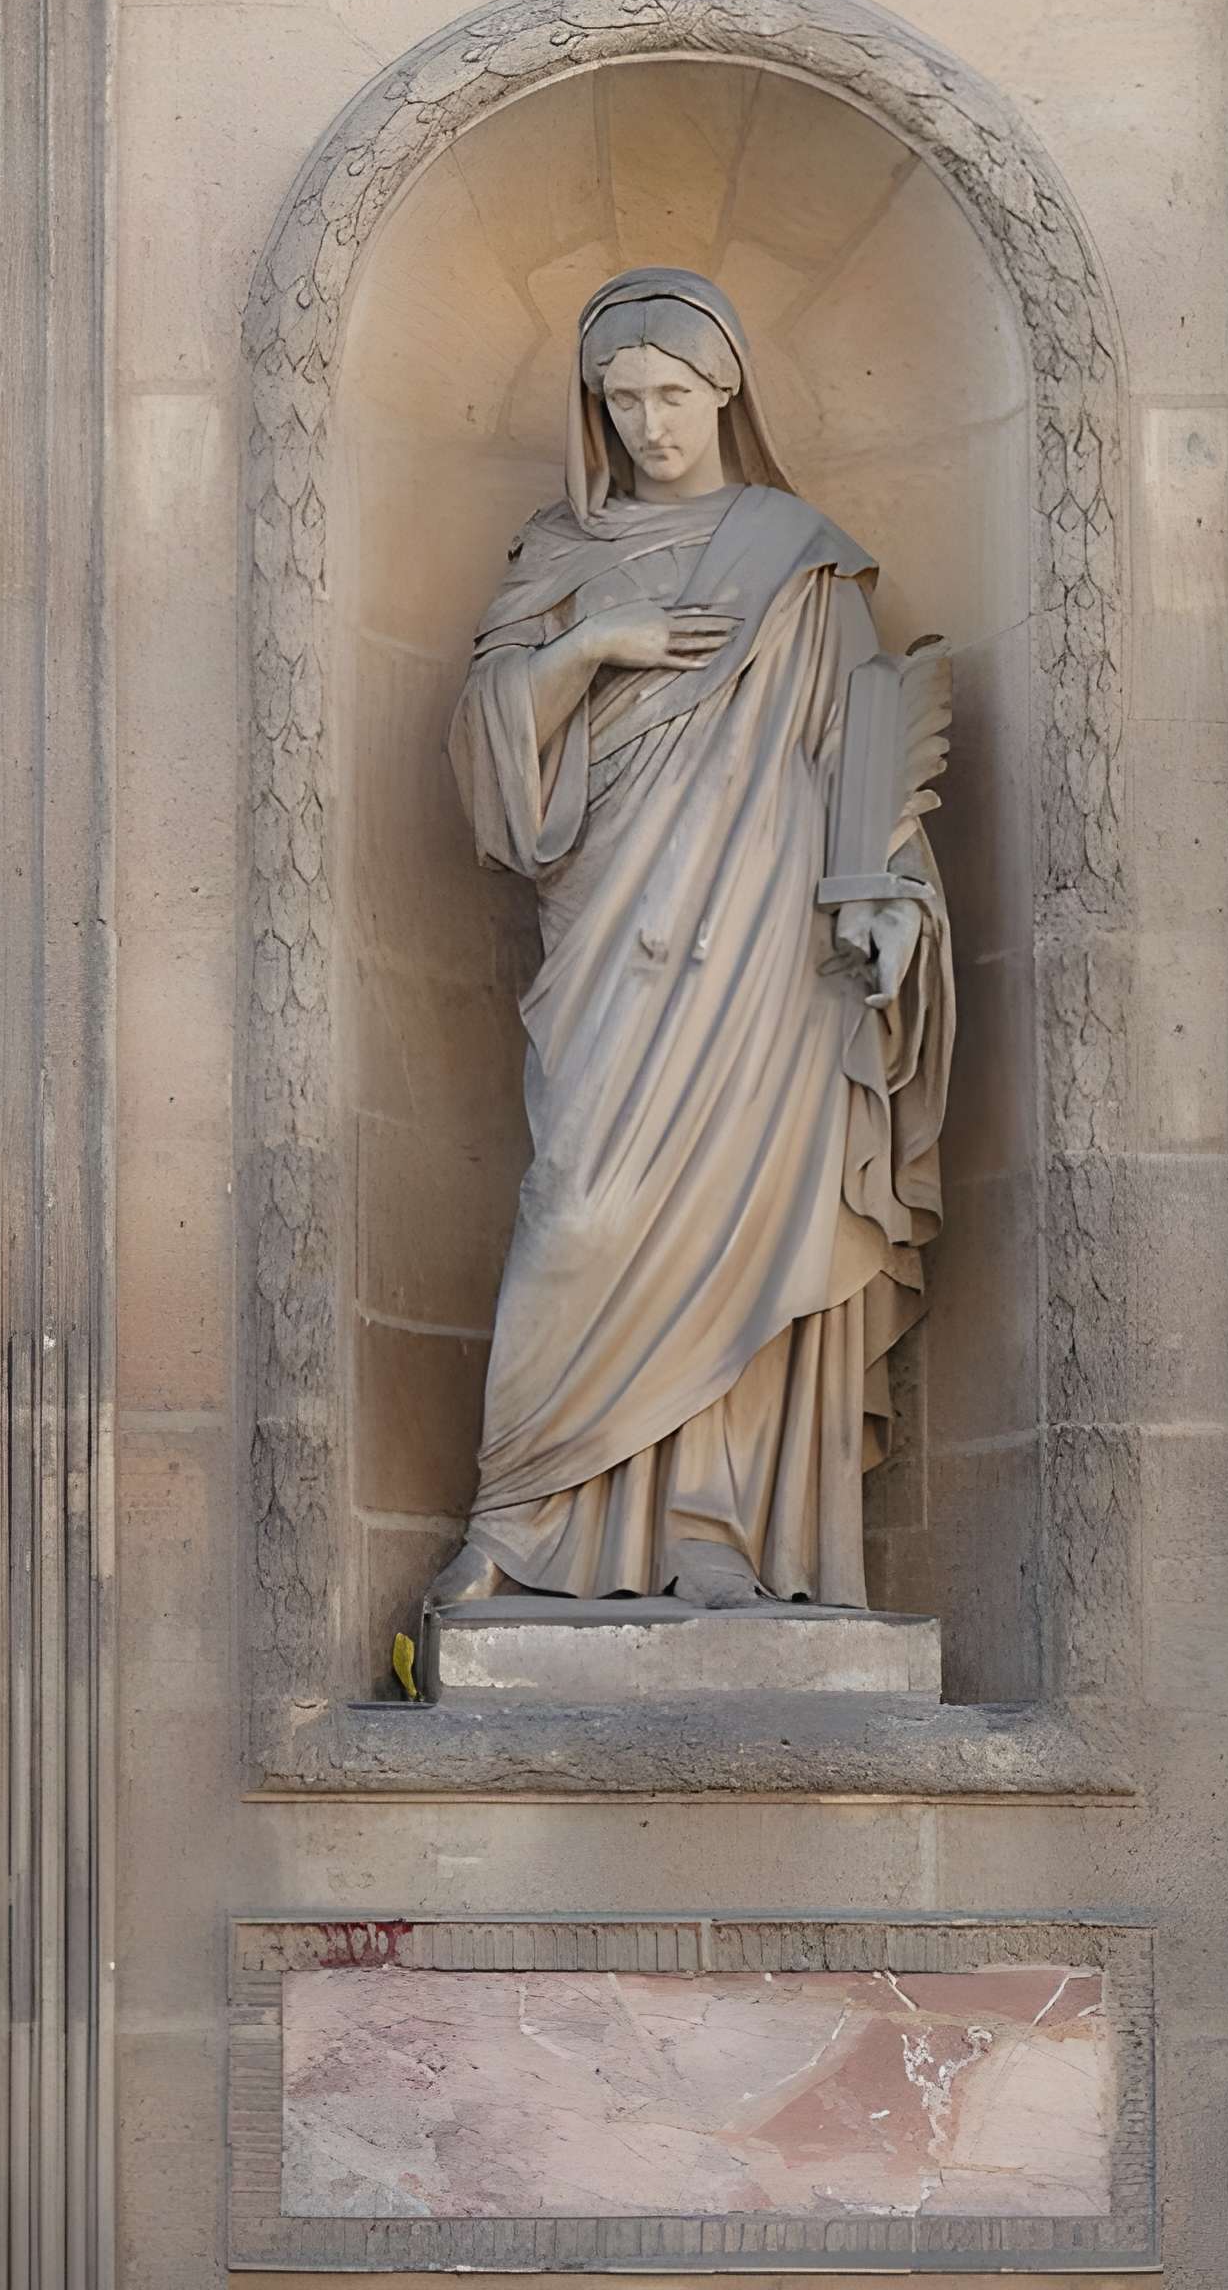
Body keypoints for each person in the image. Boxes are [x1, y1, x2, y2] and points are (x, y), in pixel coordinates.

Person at [424, 267, 953, 1613]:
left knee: (750, 1222)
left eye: (672, 395)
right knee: (582, 1208)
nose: (651, 426)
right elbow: (490, 766)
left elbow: (861, 745)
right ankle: (520, 1507)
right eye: (622, 400)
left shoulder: (798, 553)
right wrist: (592, 644)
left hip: (767, 948)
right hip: (615, 931)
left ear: (724, 391)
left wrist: (886, 904)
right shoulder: (561, 556)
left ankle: (713, 1527)